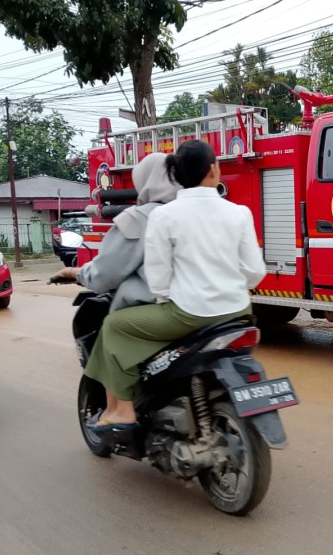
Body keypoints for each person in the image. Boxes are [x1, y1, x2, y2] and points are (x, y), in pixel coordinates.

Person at [84, 140, 266, 432]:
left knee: (114, 326)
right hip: (238, 311)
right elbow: (255, 271)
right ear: (213, 170)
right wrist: (231, 287)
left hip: (188, 314)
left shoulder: (163, 215)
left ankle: (124, 411)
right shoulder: (239, 212)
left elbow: (158, 275)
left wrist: (168, 298)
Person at [53, 153, 179, 310]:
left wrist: (74, 272)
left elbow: (106, 274)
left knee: (112, 329)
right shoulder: (189, 212)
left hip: (157, 307)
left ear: (142, 180)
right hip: (203, 306)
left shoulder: (137, 218)